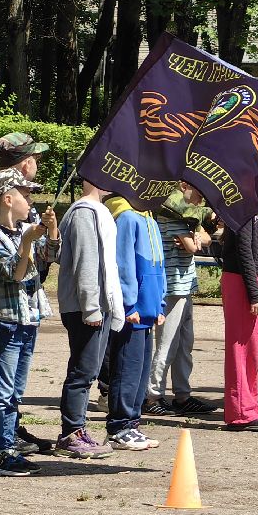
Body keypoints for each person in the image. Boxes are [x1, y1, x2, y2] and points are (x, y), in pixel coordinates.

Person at [0, 167, 57, 474]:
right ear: (9, 199)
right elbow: (13, 273)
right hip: (7, 320)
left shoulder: (26, 228)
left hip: (29, 317)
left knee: (16, 389)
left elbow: (48, 259)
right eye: (26, 196)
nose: (31, 201)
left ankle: (10, 444)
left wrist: (51, 230)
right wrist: (27, 242)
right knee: (1, 388)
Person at [55, 180, 121, 459]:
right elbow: (85, 261)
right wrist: (91, 307)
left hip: (97, 304)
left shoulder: (98, 210)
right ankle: (71, 433)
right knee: (82, 371)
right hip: (84, 306)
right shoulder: (83, 212)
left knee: (89, 370)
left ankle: (77, 430)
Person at [103, 192, 166, 450]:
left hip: (149, 310)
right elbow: (124, 264)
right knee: (126, 370)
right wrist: (128, 304)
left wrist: (160, 303)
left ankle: (132, 422)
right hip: (133, 311)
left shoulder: (150, 218)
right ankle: (119, 426)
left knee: (140, 372)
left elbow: (159, 266)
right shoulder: (127, 217)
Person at [147, 185, 214, 417]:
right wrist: (198, 239)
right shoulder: (173, 217)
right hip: (172, 287)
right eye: (197, 194)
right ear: (183, 188)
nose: (200, 200)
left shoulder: (187, 221)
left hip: (184, 287)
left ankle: (183, 395)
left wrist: (200, 237)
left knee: (184, 344)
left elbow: (204, 237)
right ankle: (153, 395)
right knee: (167, 344)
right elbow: (194, 246)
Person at [213, 205, 258, 433]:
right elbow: (244, 251)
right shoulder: (243, 206)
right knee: (241, 347)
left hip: (256, 279)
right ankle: (240, 413)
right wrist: (254, 293)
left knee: (255, 348)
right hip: (242, 280)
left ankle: (250, 406)